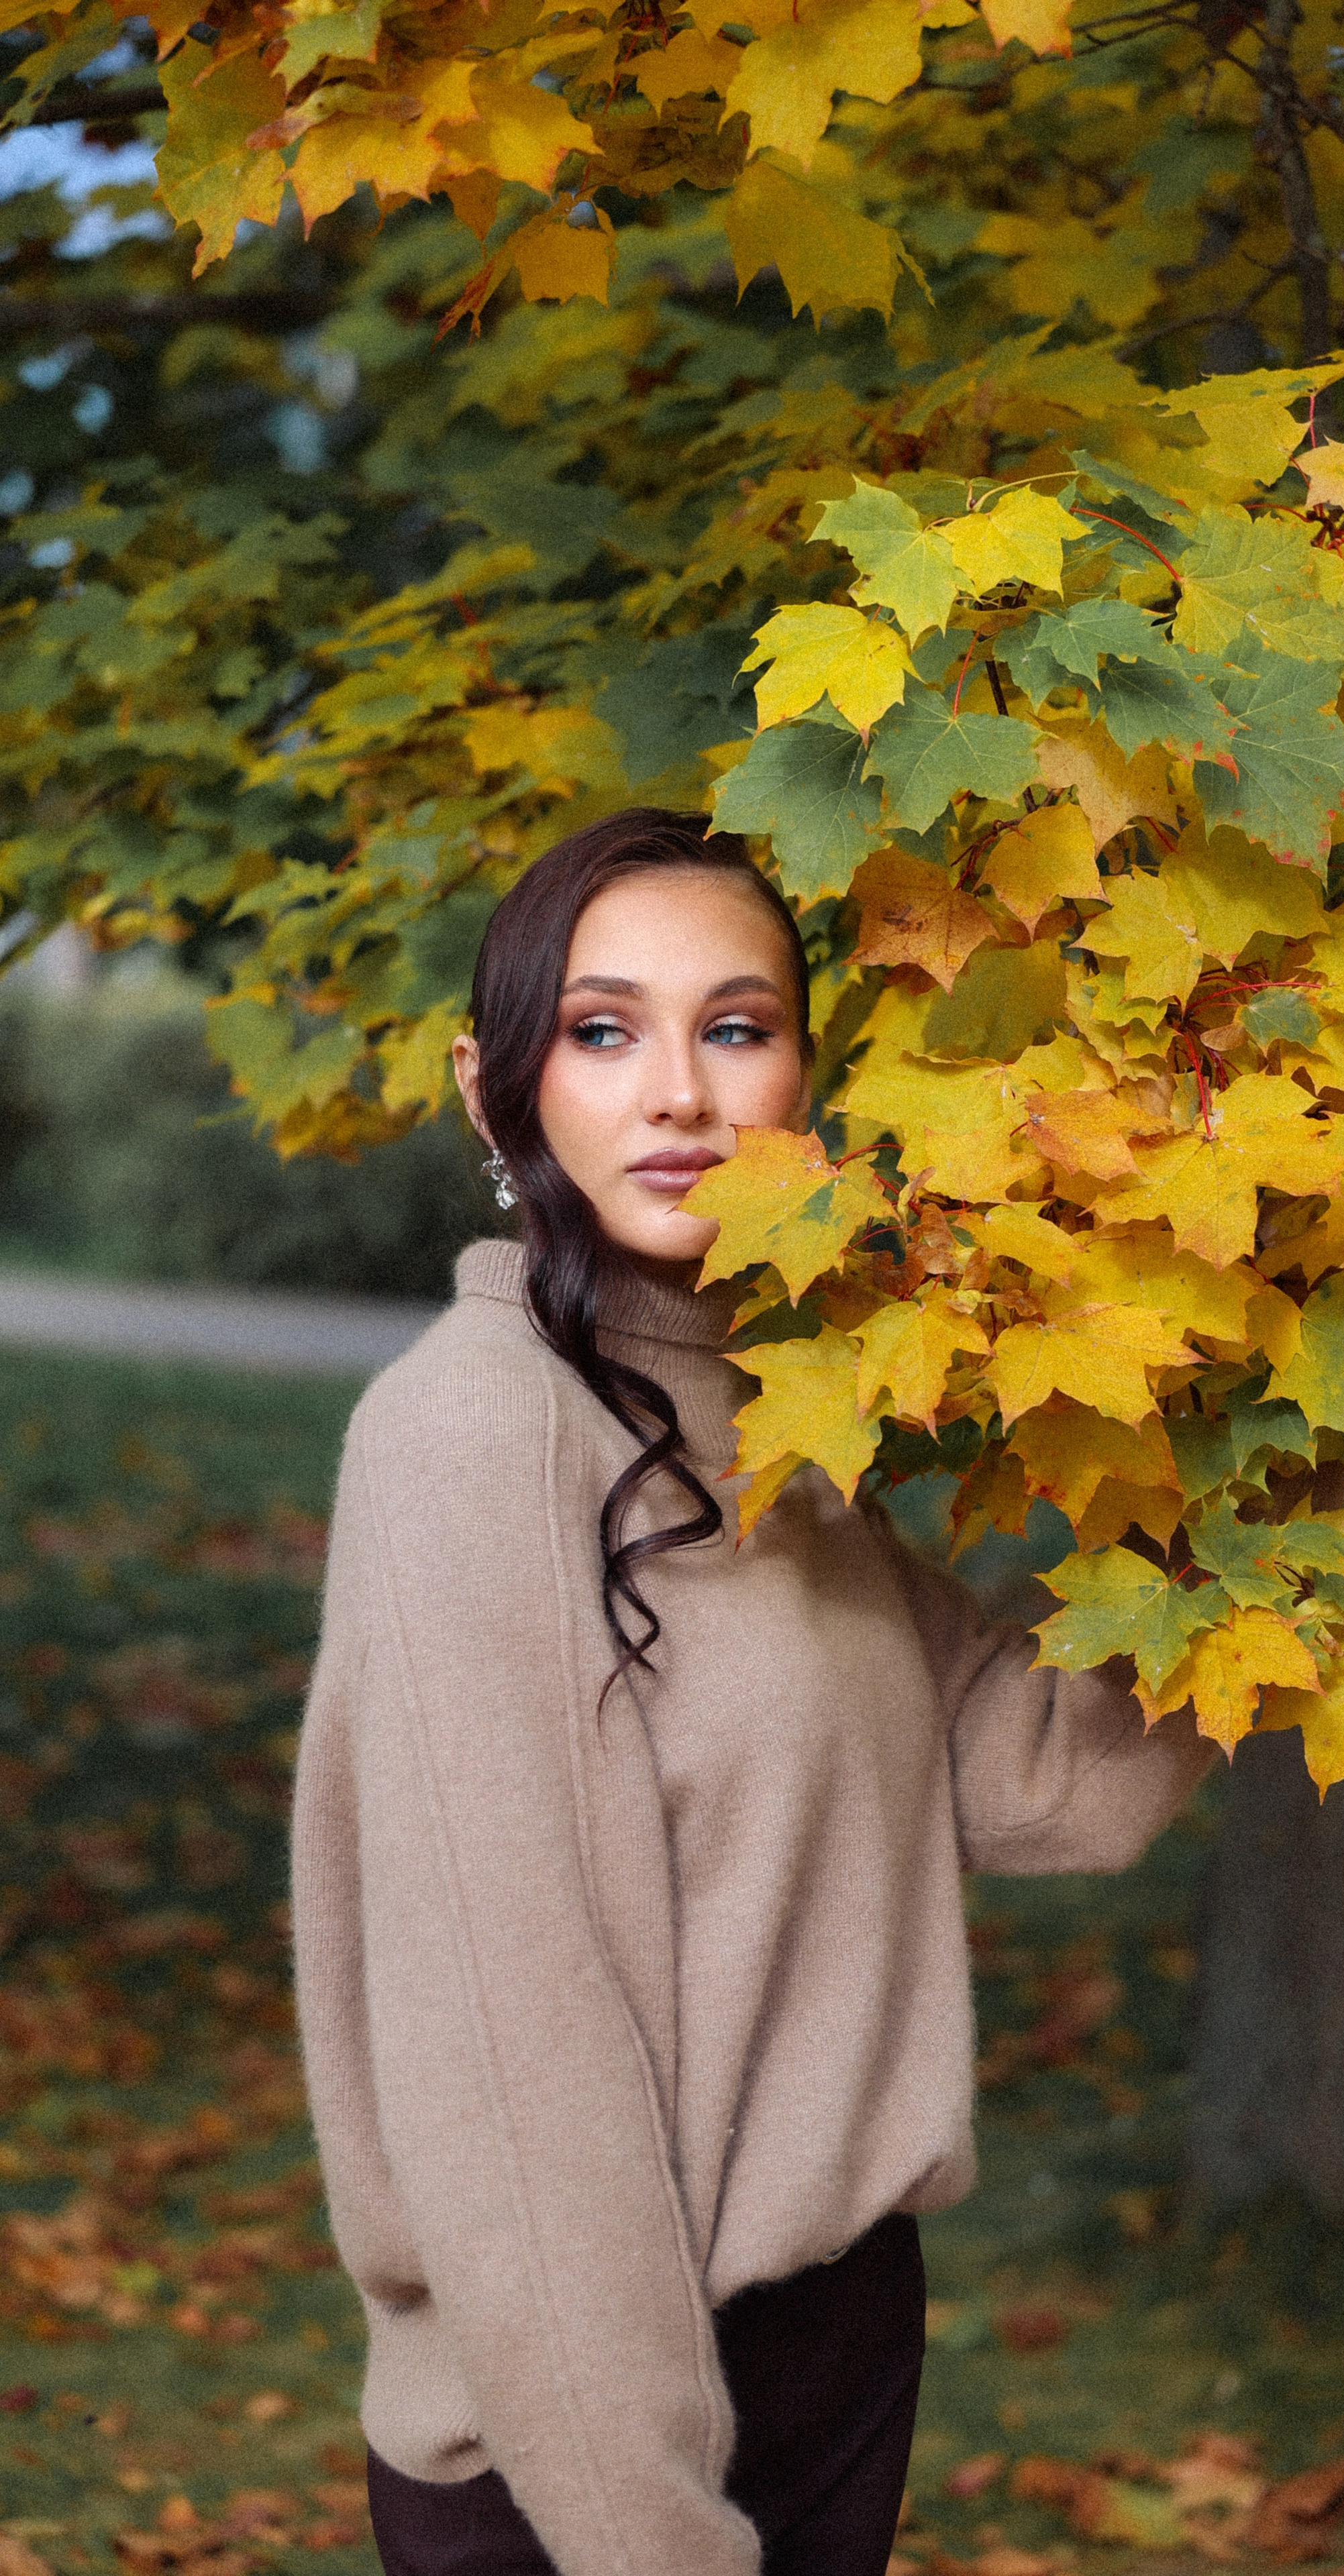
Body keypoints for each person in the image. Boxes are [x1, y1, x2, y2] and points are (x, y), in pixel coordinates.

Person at [291, 808, 1215, 2576]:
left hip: (828, 2363)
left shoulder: (789, 1430)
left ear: (806, 1077)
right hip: (587, 2440)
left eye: (735, 1026)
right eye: (602, 1029)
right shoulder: (473, 1434)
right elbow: (508, 2064)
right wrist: (650, 2530)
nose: (680, 1097)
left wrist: (1248, 1455)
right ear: (498, 1090)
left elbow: (1057, 1782)